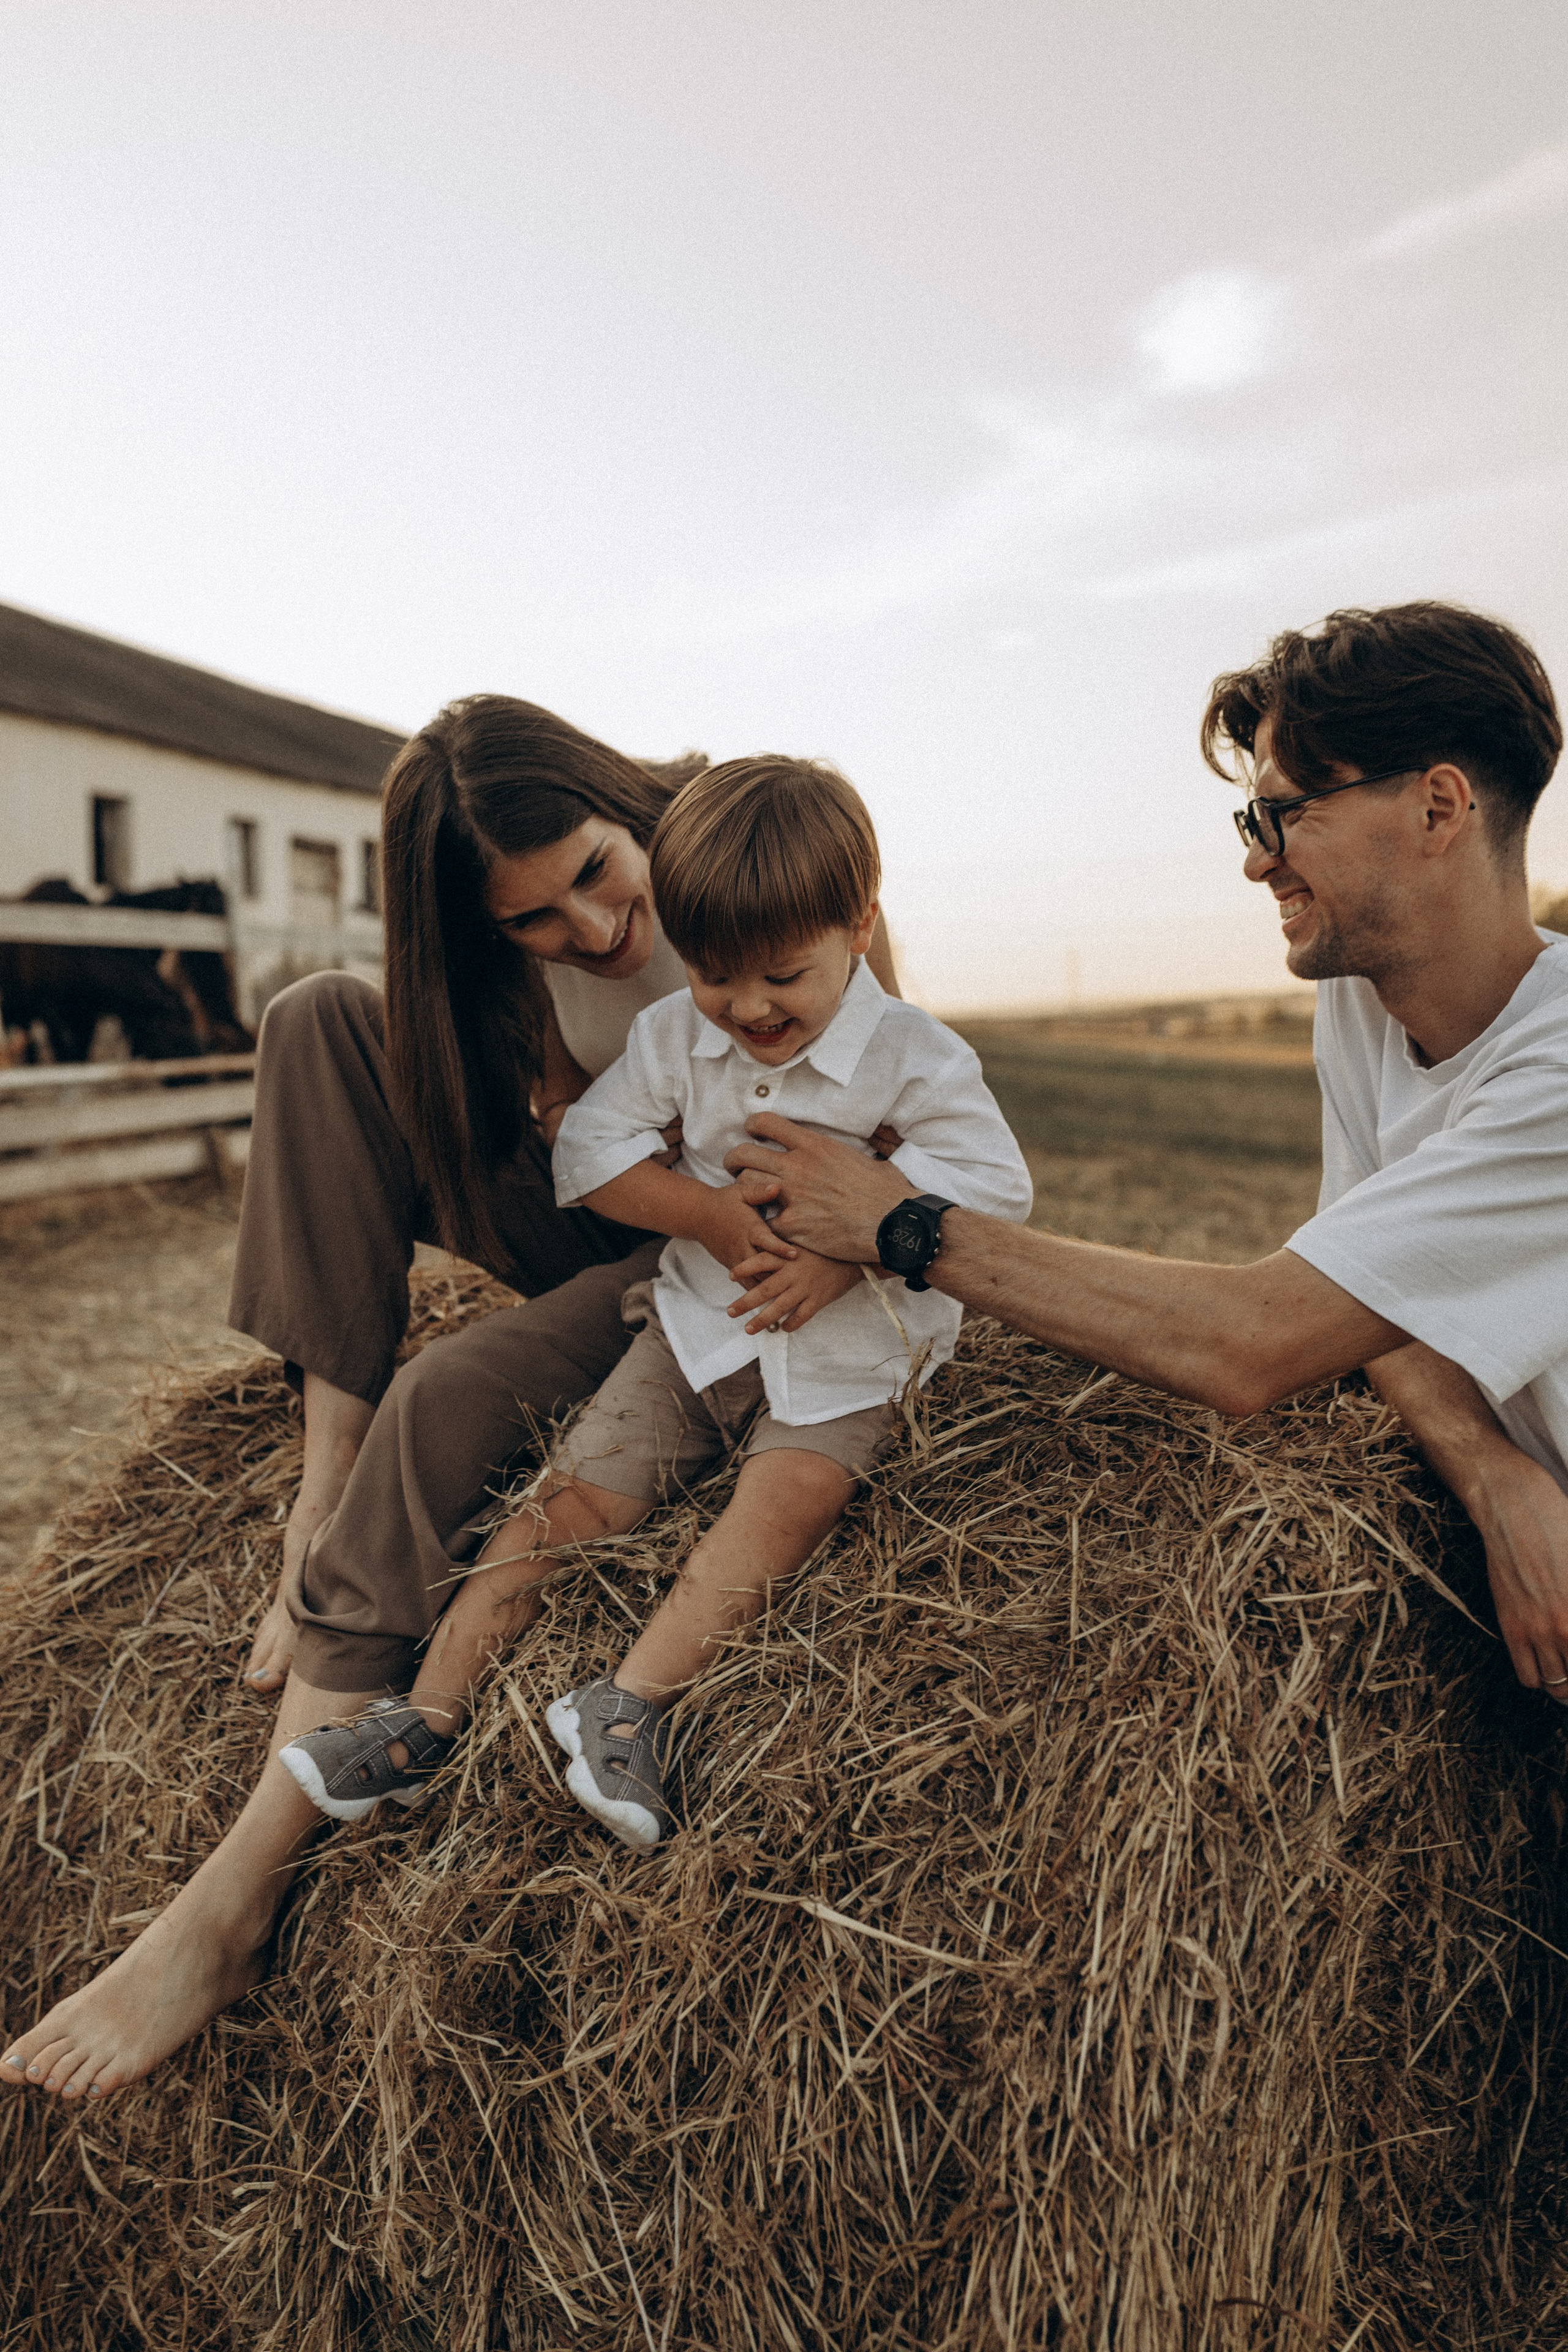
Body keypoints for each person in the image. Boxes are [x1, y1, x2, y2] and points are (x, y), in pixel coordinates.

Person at [0, 699, 905, 2103]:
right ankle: (323, 1480)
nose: (594, 932)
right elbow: (558, 1133)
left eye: (600, 876)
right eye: (535, 924)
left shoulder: (736, 844)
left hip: (722, 1243)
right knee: (314, 1019)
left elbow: (875, 1077)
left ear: (624, 806)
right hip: (596, 1202)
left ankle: (231, 1901)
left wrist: (773, 1233)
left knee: (451, 1395)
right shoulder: (493, 965)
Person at [723, 602, 1568, 1708]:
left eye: (1285, 816)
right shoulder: (1364, 1005)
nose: (1260, 866)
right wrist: (1494, 1473)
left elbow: (1255, 1344)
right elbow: (1374, 1310)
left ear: (1440, 805)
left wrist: (903, 1225)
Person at [274, 756, 1032, 1845]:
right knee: (574, 1494)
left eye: (782, 976)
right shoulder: (680, 1033)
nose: (750, 1008)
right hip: (692, 1327)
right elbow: (588, 1146)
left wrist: (854, 1246)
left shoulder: (916, 1056)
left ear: (858, 929)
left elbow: (997, 1185)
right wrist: (711, 1216)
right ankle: (424, 1716)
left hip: (851, 1348)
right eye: (720, 977)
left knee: (785, 1505)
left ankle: (627, 1704)